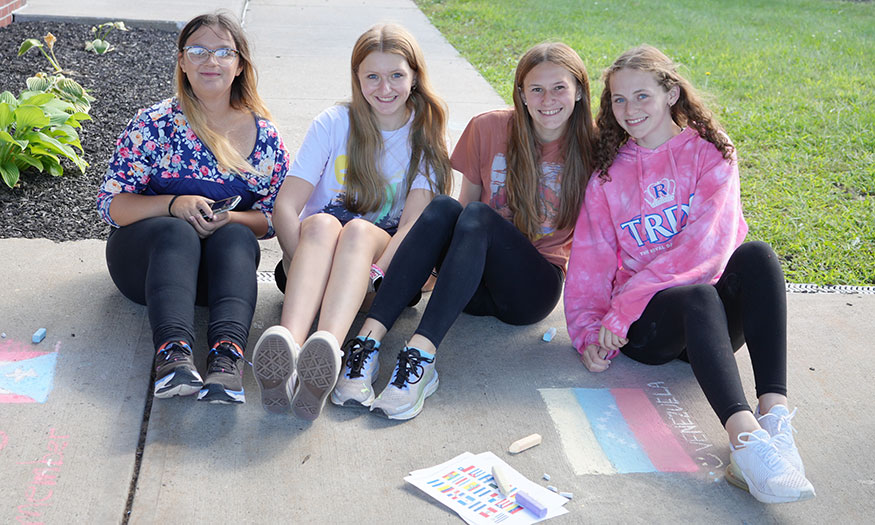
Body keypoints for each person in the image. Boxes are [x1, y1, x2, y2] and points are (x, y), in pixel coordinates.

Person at [564, 45, 814, 503]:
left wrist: (622, 308)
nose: (629, 110)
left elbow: (708, 247)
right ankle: (746, 443)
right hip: (653, 326)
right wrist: (589, 332)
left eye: (642, 96)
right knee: (697, 296)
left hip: (708, 324)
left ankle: (775, 418)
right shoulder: (608, 177)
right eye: (619, 100)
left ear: (671, 92)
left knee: (757, 256)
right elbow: (589, 262)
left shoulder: (711, 151)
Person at [331, 42, 597, 421]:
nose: (547, 99)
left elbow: (600, 242)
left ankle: (420, 358)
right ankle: (366, 344)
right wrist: (436, 268)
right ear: (521, 93)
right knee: (445, 207)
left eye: (559, 88)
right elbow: (460, 213)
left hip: (531, 290)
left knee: (476, 215)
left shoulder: (594, 148)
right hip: (472, 287)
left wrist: (595, 321)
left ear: (580, 90)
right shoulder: (489, 127)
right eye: (536, 89)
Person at [251, 24, 452, 420]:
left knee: (357, 230)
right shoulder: (333, 123)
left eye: (396, 75)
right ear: (357, 79)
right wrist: (302, 264)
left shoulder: (424, 134)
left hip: (382, 271)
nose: (385, 88)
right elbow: (286, 207)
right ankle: (291, 350)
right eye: (372, 76)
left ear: (414, 77)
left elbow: (412, 223)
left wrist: (372, 277)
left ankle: (327, 347)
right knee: (324, 224)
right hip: (314, 262)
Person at [97, 12, 288, 405]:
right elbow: (112, 205)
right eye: (198, 50)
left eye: (223, 51)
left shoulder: (265, 137)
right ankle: (173, 357)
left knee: (235, 233)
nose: (210, 61)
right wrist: (173, 204)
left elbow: (270, 218)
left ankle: (227, 360)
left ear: (239, 65)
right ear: (182, 62)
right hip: (146, 268)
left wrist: (229, 217)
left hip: (217, 281)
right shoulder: (154, 125)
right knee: (176, 229)